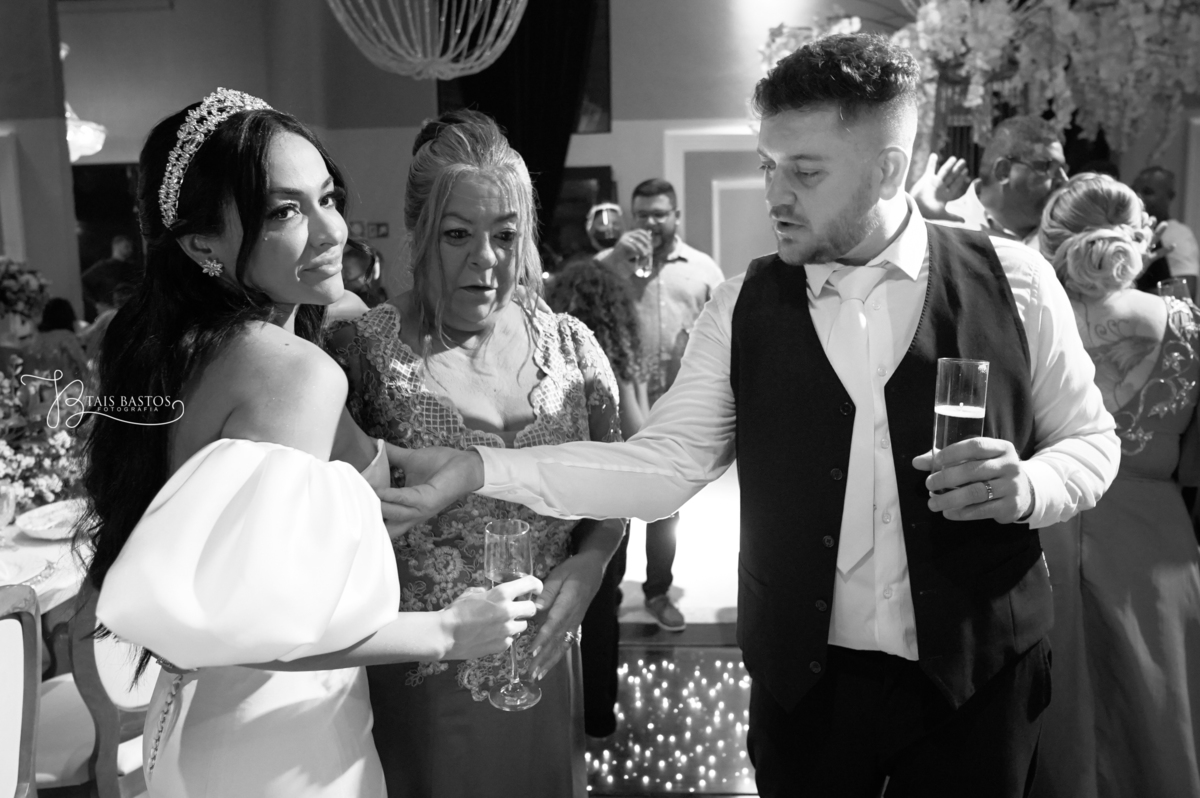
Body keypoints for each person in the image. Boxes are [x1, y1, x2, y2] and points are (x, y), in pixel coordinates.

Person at [380, 34, 1122, 798]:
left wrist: (1030, 486)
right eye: (768, 166)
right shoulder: (740, 306)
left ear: (888, 169)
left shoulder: (1016, 281)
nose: (776, 194)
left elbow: (1092, 441)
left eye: (805, 171)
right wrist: (478, 467)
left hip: (979, 684)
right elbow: (663, 467)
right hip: (808, 697)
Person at [82, 89, 539, 798]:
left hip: (191, 720)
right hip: (280, 741)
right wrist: (449, 632)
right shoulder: (294, 373)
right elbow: (268, 635)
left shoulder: (182, 345)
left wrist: (433, 463)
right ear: (202, 244)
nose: (331, 232)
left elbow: (353, 471)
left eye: (327, 198)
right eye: (283, 212)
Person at [326, 109, 626, 798]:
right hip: (421, 682)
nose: (486, 260)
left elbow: (614, 490)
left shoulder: (574, 349)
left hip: (545, 667)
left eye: (505, 235)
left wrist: (590, 564)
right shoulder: (362, 356)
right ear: (418, 234)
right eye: (458, 234)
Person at [1031, 173, 1200, 798]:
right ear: (1141, 238)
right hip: (1155, 553)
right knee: (1157, 722)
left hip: (1044, 538)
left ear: (1050, 242)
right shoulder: (1187, 324)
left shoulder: (1027, 322)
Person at [593, 178, 725, 632]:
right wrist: (615, 262)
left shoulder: (703, 270)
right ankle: (606, 593)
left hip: (676, 407)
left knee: (666, 508)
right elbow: (581, 304)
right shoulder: (608, 265)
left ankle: (657, 591)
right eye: (642, 214)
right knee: (612, 503)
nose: (650, 222)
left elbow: (725, 335)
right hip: (613, 407)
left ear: (676, 217)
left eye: (659, 214)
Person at [546, 255, 649, 737]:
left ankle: (559, 712)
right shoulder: (616, 356)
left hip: (562, 493)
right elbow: (639, 429)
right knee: (601, 606)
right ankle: (598, 716)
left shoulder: (554, 351)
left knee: (560, 606)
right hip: (608, 498)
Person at [914, 115, 1068, 246]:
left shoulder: (1067, 230)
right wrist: (915, 218)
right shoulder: (946, 223)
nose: (1063, 180)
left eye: (1063, 169)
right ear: (1003, 171)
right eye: (1047, 167)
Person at [1132, 166, 1200, 297]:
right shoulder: (1128, 230)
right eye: (1134, 190)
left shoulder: (1177, 234)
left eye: (1147, 192)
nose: (1138, 197)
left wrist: (1130, 295)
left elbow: (1185, 292)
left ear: (1170, 196)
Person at [81, 233, 139, 322]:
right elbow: (84, 282)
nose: (130, 250)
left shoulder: (132, 268)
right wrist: (96, 303)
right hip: (110, 314)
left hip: (131, 313)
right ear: (117, 246)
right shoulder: (103, 267)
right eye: (126, 246)